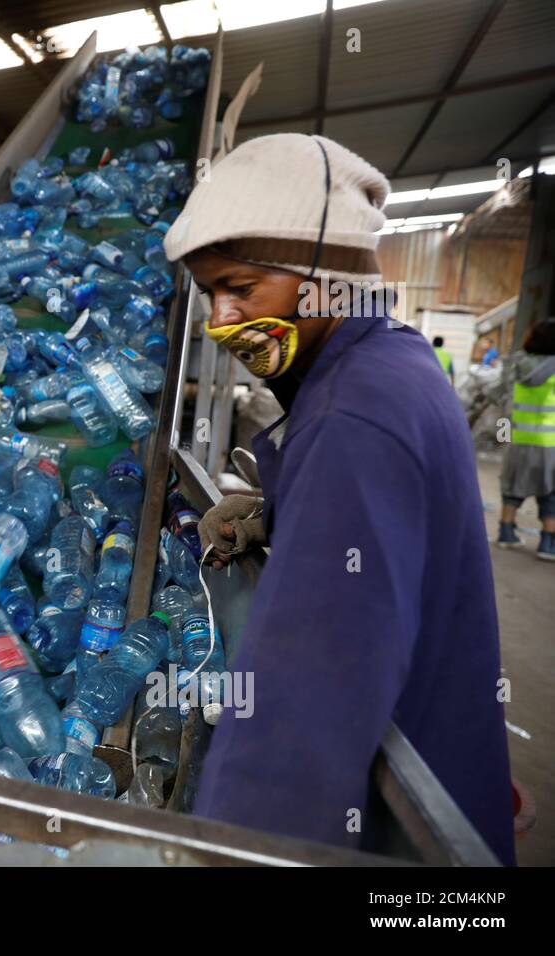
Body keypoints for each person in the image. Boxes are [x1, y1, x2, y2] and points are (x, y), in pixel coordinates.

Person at [163, 133, 515, 864]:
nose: (222, 320)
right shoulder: (387, 360)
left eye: (242, 287)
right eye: (209, 295)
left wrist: (231, 852)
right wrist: (282, 512)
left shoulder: (354, 417)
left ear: (327, 277)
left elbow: (297, 727)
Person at [496, 318, 555, 560]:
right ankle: (548, 544)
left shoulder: (515, 364)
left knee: (512, 487)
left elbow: (503, 400)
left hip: (517, 439)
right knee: (551, 492)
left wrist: (503, 437)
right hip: (550, 444)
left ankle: (506, 533)